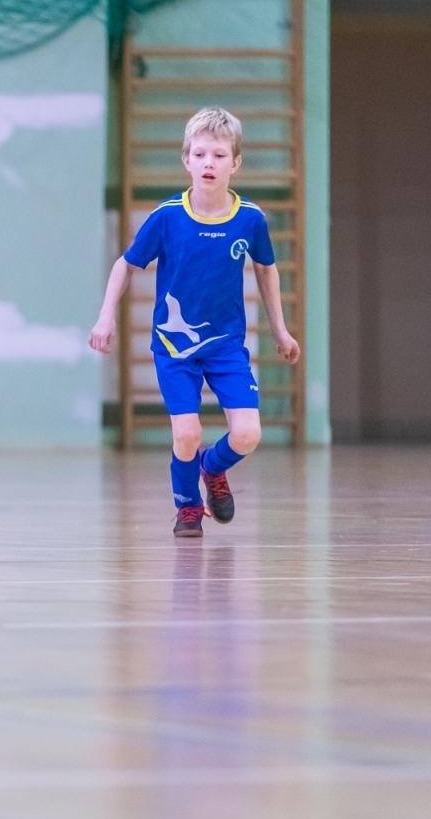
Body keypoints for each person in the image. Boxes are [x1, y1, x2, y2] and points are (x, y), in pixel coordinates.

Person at [88, 107, 301, 537]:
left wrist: (280, 329)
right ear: (186, 159)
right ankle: (188, 507)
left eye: (219, 155)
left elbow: (266, 269)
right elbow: (126, 265)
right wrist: (105, 317)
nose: (209, 163)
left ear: (235, 163)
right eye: (200, 154)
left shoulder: (250, 219)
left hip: (225, 345)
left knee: (248, 434)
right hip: (175, 348)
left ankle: (212, 468)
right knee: (186, 434)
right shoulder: (168, 217)